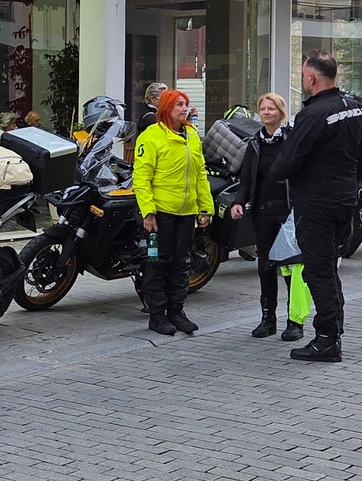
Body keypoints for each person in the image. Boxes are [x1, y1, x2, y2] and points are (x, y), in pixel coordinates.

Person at [262, 53, 362, 362]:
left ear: (311, 78)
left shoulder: (313, 114)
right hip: (344, 198)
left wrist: (275, 173)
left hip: (317, 203)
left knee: (318, 271)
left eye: (304, 75)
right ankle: (333, 330)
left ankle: (326, 340)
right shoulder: (356, 106)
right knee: (329, 267)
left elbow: (287, 161)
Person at [228, 92, 310, 341]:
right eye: (263, 108)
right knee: (265, 266)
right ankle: (268, 319)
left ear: (281, 112)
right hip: (262, 212)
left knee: (292, 267)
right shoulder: (255, 143)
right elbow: (246, 177)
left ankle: (295, 322)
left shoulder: (292, 140)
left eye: (271, 108)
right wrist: (238, 202)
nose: (266, 112)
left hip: (288, 213)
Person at [132, 89, 213, 337]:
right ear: (166, 108)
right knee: (158, 263)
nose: (184, 109)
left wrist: (205, 208)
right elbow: (141, 177)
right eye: (179, 104)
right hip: (161, 214)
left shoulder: (192, 135)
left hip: (186, 213)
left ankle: (176, 312)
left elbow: (200, 174)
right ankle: (157, 315)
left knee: (182, 264)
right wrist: (148, 212)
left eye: (186, 104)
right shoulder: (151, 136)